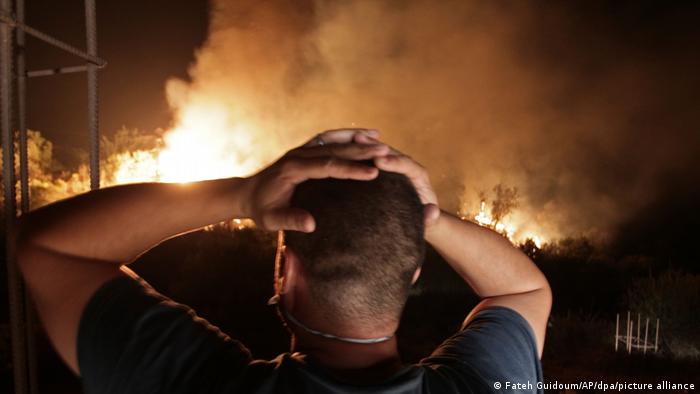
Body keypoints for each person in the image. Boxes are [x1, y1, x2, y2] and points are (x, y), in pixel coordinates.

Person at [18, 128, 551, 393]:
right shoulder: (483, 385)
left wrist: (245, 196)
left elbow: (50, 245)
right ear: (411, 274)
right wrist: (423, 216)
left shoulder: (197, 383)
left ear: (287, 271)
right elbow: (523, 293)